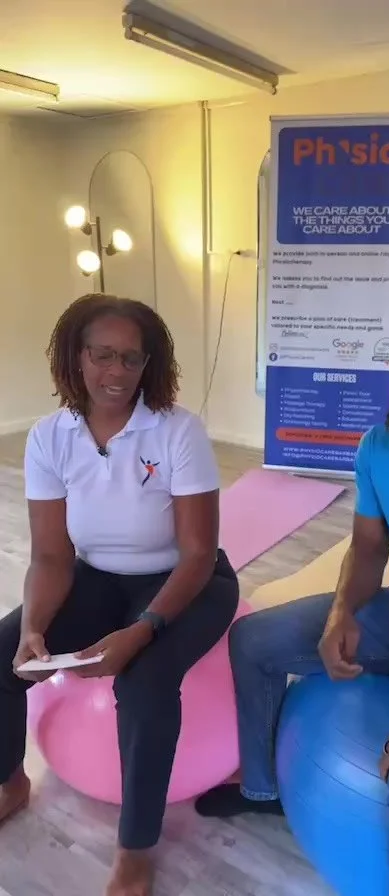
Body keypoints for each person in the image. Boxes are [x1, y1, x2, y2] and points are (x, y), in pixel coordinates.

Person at [196, 293, 389, 896]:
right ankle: (263, 789)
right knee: (253, 640)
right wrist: (343, 611)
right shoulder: (378, 446)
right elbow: (367, 548)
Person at [0, 294, 239, 896]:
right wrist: (33, 627)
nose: (117, 372)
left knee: (145, 680)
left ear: (148, 364)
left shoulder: (177, 430)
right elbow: (51, 556)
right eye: (102, 355)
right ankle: (10, 781)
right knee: (3, 655)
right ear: (75, 357)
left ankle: (135, 848)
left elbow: (197, 554)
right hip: (98, 577)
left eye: (132, 358)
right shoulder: (49, 438)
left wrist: (142, 630)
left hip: (189, 580)